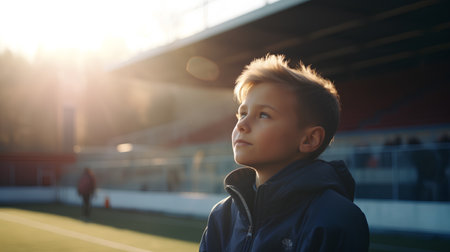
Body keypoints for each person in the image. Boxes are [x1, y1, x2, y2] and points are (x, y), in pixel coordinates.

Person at [199, 55, 369, 251]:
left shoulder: (336, 219)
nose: (242, 125)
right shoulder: (223, 215)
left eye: (264, 114)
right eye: (243, 113)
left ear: (309, 140)